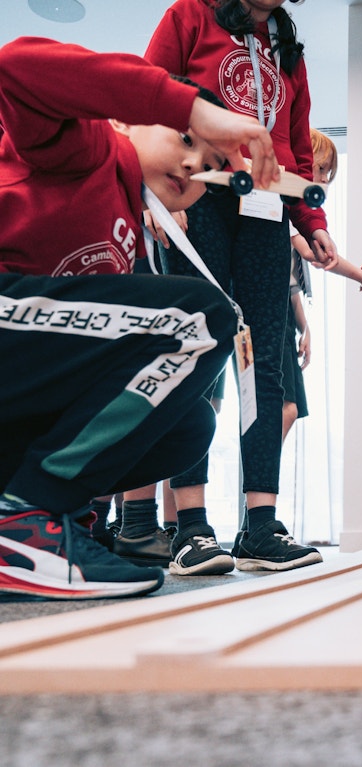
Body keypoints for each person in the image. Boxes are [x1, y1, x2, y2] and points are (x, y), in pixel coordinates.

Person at [0, 36, 279, 599]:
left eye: (209, 168)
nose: (194, 165)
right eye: (184, 140)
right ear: (130, 123)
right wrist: (196, 109)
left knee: (189, 426)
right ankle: (25, 520)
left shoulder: (132, 229)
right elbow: (14, 66)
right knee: (202, 317)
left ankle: (51, 522)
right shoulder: (90, 147)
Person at [144, 0, 339, 574]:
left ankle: (259, 526)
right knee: (195, 348)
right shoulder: (189, 16)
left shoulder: (285, 43)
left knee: (264, 361)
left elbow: (297, 145)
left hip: (266, 208)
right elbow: (147, 99)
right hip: (198, 196)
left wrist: (314, 224)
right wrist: (156, 192)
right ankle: (192, 527)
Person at [281, 128, 362, 442]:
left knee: (286, 410)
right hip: (266, 315)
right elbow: (318, 254)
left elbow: (289, 283)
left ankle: (259, 483)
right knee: (282, 409)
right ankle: (257, 483)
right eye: (318, 168)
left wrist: (304, 327)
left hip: (283, 316)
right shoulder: (287, 211)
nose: (322, 178)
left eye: (327, 173)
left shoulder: (298, 217)